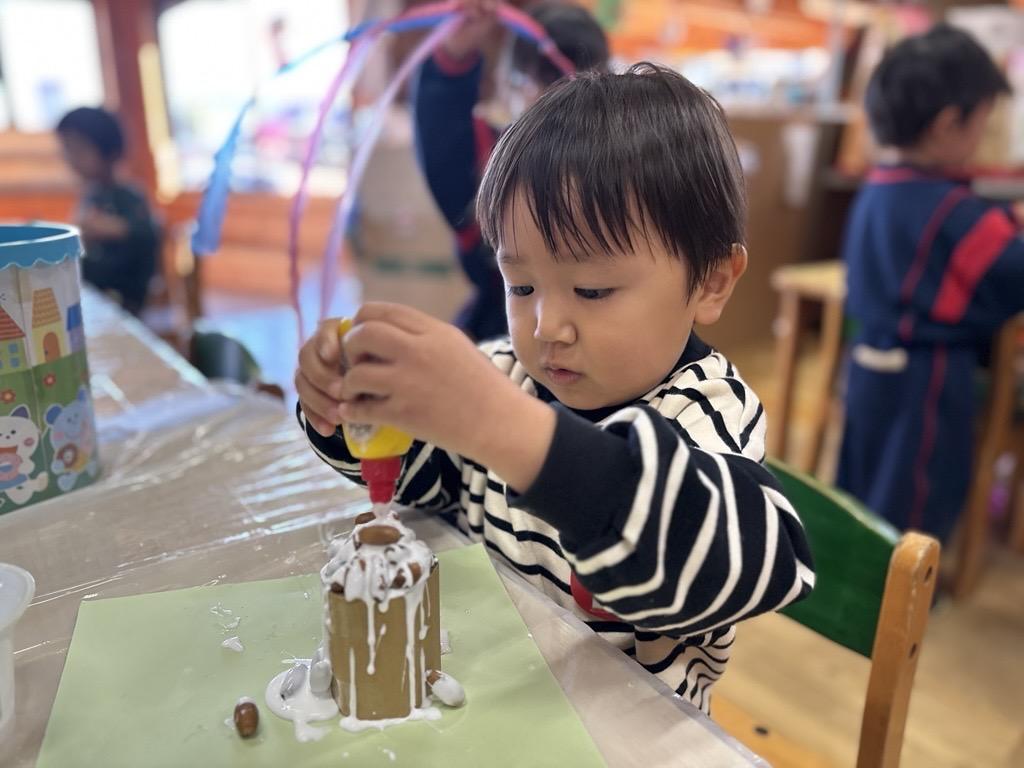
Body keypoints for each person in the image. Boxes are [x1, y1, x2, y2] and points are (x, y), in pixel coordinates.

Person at [296, 64, 814, 712]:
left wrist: (506, 428)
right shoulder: (506, 373)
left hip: (632, 735)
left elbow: (757, 562)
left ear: (711, 282)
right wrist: (348, 409)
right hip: (503, 698)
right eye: (521, 286)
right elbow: (419, 480)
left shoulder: (706, 410)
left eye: (592, 290)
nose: (546, 327)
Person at [836, 24, 1024, 543]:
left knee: (867, 484)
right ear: (947, 125)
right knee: (918, 498)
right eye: (982, 122)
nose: (982, 136)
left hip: (868, 364)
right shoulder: (952, 209)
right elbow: (1010, 269)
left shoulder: (881, 187)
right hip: (928, 381)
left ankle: (861, 569)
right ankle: (909, 583)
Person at [413, 0, 609, 341]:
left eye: (563, 80)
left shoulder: (623, 166)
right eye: (535, 80)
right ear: (509, 85)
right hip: (498, 332)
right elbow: (442, 130)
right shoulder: (490, 165)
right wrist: (453, 55)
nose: (553, 99)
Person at [56, 107, 159, 315]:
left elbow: (150, 234)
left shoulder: (129, 195)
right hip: (94, 295)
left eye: (79, 150)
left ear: (109, 151)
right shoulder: (90, 196)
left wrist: (117, 228)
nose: (71, 158)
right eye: (67, 149)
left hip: (123, 301)